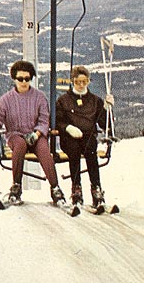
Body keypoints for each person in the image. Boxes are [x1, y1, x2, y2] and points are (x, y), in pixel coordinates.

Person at [0, 60, 66, 205]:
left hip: (35, 135)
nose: (24, 82)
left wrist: (37, 134)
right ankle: (16, 186)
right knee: (19, 145)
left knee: (44, 151)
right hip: (16, 134)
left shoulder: (39, 97)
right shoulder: (6, 100)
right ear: (15, 78)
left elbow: (44, 120)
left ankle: (55, 188)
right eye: (20, 79)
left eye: (27, 79)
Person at [55, 65, 114, 207]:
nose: (81, 85)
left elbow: (104, 122)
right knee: (74, 151)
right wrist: (68, 128)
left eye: (84, 81)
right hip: (70, 136)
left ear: (88, 81)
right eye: (78, 82)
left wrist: (108, 109)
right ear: (72, 81)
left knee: (91, 151)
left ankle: (96, 188)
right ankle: (76, 189)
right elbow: (58, 120)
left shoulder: (95, 101)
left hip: (88, 135)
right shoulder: (64, 100)